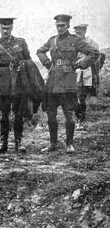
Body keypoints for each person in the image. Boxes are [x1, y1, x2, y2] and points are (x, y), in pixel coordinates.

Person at [36, 14, 100, 153]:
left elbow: (94, 53)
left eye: (63, 25)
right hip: (52, 83)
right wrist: (47, 64)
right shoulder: (52, 41)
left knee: (69, 115)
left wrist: (81, 64)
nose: (60, 28)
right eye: (58, 25)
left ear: (68, 26)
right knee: (51, 115)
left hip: (68, 82)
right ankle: (53, 143)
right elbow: (40, 51)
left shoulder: (75, 40)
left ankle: (69, 144)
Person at [0, 18, 31, 153]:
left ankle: (18, 142)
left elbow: (28, 61)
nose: (5, 31)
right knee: (4, 115)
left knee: (18, 114)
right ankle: (3, 142)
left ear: (12, 27)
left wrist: (21, 66)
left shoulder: (21, 42)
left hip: (17, 82)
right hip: (2, 84)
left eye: (8, 28)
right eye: (3, 28)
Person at [73, 23, 100, 130]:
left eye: (79, 32)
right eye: (76, 33)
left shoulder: (92, 43)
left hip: (86, 74)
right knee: (74, 97)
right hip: (74, 73)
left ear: (85, 32)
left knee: (82, 97)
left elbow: (97, 58)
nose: (77, 34)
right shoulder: (73, 43)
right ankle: (77, 118)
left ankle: (81, 120)